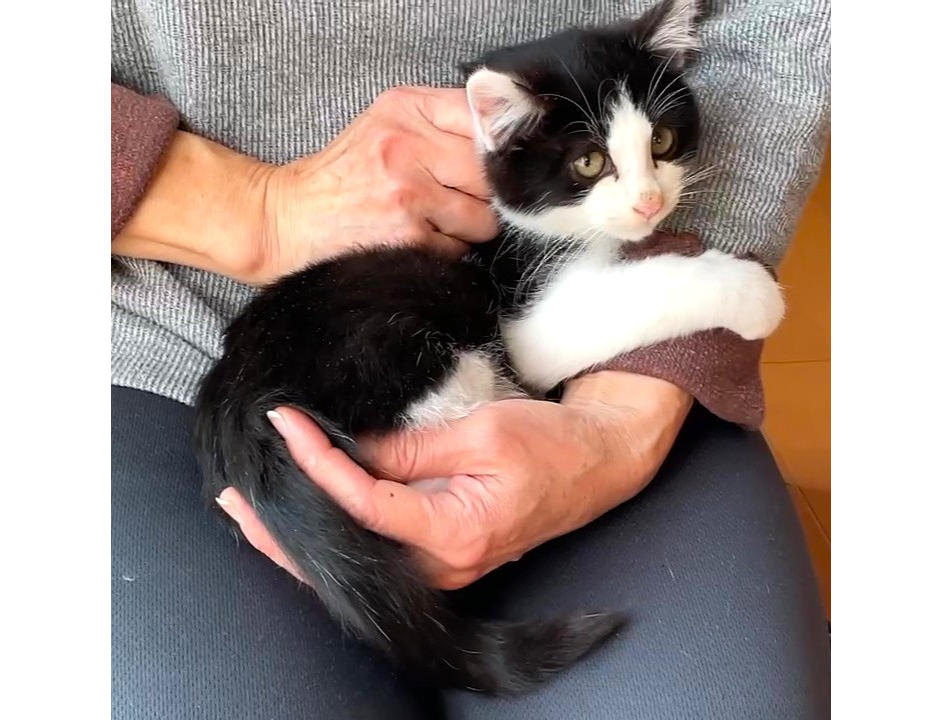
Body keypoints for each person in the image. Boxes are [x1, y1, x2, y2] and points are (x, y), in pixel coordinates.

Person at [111, 1, 831, 718]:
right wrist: (259, 208)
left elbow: (788, 31)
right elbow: (538, 345)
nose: (647, 196)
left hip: (553, 385)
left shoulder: (559, 219)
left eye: (662, 146)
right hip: (175, 338)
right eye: (595, 163)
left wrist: (619, 420)